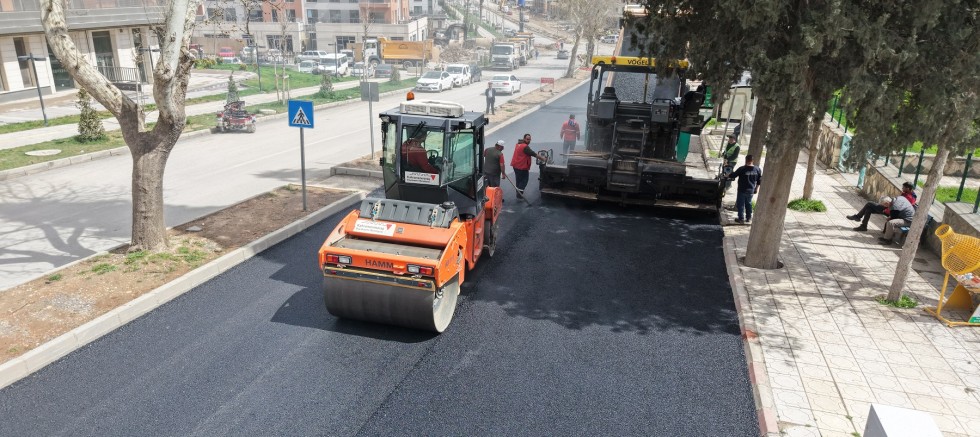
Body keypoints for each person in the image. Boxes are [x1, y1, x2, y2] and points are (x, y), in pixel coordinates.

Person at [847, 181, 917, 231]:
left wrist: (885, 210)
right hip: (890, 208)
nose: (902, 188)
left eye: (903, 187)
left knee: (869, 203)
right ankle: (863, 226)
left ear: (908, 188)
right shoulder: (905, 194)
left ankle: (858, 217)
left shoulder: (910, 198)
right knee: (869, 209)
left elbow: (898, 209)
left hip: (893, 212)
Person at [727, 154, 762, 224]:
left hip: (742, 190)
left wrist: (727, 174)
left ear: (746, 160)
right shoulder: (757, 169)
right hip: (751, 190)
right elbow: (759, 181)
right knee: (748, 204)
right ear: (753, 160)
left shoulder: (742, 169)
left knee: (741, 205)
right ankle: (748, 218)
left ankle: (741, 219)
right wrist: (756, 189)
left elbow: (733, 175)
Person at [510, 133, 546, 198]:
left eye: (529, 139)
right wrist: (543, 158)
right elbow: (533, 154)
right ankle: (520, 193)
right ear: (524, 139)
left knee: (518, 180)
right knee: (525, 180)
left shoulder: (518, 144)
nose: (528, 141)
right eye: (527, 139)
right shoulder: (525, 147)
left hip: (515, 165)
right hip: (521, 166)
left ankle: (518, 193)